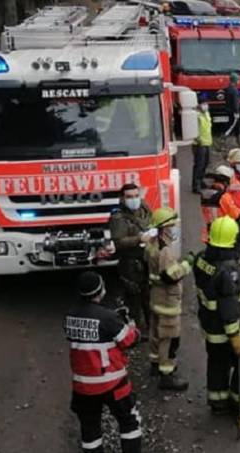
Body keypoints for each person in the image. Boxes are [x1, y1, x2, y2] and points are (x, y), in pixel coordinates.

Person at [192, 217, 240, 430]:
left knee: (217, 362)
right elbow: (229, 307)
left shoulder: (202, 259)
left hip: (209, 326)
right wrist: (235, 336)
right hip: (226, 330)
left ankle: (218, 402)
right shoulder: (228, 270)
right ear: (232, 240)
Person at [65, 272, 142, 453]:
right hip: (113, 384)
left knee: (90, 429)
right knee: (129, 422)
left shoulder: (70, 316)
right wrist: (131, 327)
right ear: (100, 291)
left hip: (83, 386)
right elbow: (129, 340)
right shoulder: (107, 318)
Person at [145, 207, 193, 390]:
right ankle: (167, 375)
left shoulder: (151, 243)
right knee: (169, 337)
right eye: (172, 225)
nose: (174, 228)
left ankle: (155, 365)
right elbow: (170, 276)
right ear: (164, 227)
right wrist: (187, 264)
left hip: (156, 297)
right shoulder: (165, 250)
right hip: (167, 299)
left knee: (156, 333)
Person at [109, 183, 155, 336]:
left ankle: (152, 327)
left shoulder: (144, 207)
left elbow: (152, 220)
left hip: (147, 258)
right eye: (129, 197)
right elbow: (118, 242)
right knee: (134, 297)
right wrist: (139, 238)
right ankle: (138, 332)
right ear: (122, 198)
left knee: (149, 295)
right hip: (130, 262)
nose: (134, 199)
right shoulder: (118, 217)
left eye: (136, 195)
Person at [200, 165, 240, 249]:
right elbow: (235, 214)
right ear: (226, 181)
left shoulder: (206, 193)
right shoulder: (224, 196)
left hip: (209, 232)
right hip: (222, 232)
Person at [192, 99, 213, 194]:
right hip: (199, 144)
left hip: (207, 142)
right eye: (204, 104)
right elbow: (192, 129)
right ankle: (196, 185)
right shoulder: (196, 115)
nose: (206, 105)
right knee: (199, 165)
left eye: (206, 103)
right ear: (199, 105)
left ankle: (201, 181)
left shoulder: (206, 113)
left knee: (205, 163)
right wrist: (197, 139)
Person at [224, 72, 240, 146]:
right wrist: (237, 112)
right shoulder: (234, 91)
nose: (239, 81)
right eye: (238, 80)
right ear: (235, 81)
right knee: (235, 126)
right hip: (233, 112)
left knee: (230, 124)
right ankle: (237, 142)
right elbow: (236, 103)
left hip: (228, 110)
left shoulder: (228, 89)